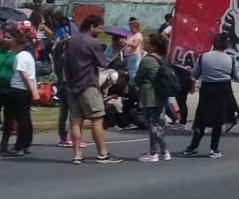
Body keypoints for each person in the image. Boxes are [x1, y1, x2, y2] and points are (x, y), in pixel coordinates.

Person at [63, 15, 123, 164]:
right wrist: (118, 49)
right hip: (88, 85)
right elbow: (103, 63)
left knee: (75, 120)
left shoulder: (72, 40)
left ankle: (77, 154)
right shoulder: (93, 42)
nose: (100, 31)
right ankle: (103, 153)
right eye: (99, 28)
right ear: (92, 27)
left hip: (72, 85)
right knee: (97, 118)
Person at [182, 33, 239, 158]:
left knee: (201, 119)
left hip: (207, 90)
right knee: (218, 121)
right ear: (226, 45)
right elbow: (236, 76)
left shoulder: (203, 57)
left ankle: (192, 147)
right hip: (223, 90)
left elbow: (195, 74)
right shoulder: (231, 59)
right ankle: (214, 149)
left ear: (214, 44)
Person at [2, 31, 39, 157]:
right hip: (25, 90)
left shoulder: (21, 56)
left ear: (17, 43)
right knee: (25, 118)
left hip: (19, 89)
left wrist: (32, 90)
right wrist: (33, 91)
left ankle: (19, 146)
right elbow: (32, 76)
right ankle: (26, 143)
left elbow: (24, 75)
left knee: (21, 119)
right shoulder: (28, 56)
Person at [136, 33, 171, 163]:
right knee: (159, 124)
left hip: (149, 95)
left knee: (152, 124)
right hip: (161, 95)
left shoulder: (147, 60)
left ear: (153, 46)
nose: (144, 44)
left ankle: (153, 152)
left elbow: (138, 77)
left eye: (147, 43)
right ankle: (164, 151)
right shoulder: (163, 59)